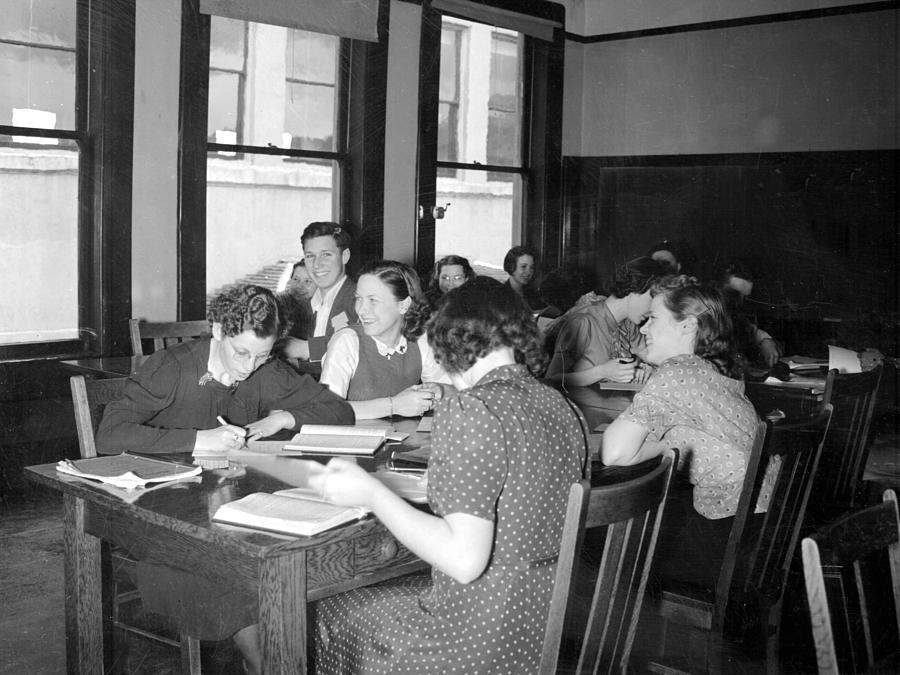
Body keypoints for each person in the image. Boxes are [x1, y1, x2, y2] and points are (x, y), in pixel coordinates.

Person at [310, 276, 588, 673]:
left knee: (328, 607)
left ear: (449, 340)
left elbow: (463, 560)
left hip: (470, 646)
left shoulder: (472, 409)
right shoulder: (561, 406)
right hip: (541, 633)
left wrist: (371, 493)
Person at [95, 284, 354, 672]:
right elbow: (110, 434)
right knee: (249, 586)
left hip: (227, 518)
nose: (249, 366)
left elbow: (338, 411)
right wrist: (200, 439)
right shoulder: (173, 367)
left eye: (262, 355)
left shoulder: (263, 368)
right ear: (218, 331)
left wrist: (284, 417)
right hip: (160, 521)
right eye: (242, 353)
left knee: (277, 566)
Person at [601, 277, 774, 591]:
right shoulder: (716, 369)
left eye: (652, 319)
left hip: (727, 541)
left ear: (687, 326)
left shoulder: (678, 371)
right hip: (760, 533)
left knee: (606, 559)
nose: (642, 329)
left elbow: (614, 453)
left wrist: (660, 443)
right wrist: (665, 443)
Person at [320, 260, 451, 419]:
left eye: (373, 300)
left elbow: (455, 390)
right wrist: (394, 405)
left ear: (403, 306)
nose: (361, 310)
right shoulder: (347, 341)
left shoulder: (420, 341)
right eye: (358, 298)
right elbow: (326, 410)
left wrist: (439, 390)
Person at [545, 256, 666, 387]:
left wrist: (647, 369)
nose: (653, 307)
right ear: (635, 288)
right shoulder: (582, 322)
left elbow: (653, 358)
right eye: (652, 297)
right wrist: (602, 372)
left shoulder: (630, 325)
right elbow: (552, 379)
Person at [278, 221, 358, 366]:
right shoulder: (306, 304)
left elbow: (366, 343)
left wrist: (307, 349)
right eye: (310, 256)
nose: (317, 264)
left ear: (345, 256)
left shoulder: (359, 298)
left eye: (326, 254)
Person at [720, 259, 781, 368]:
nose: (739, 302)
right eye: (733, 295)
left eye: (744, 297)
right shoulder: (704, 317)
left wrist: (766, 341)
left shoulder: (735, 317)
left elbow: (750, 331)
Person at [276, 260, 315, 341]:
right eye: (296, 279)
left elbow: (342, 339)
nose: (299, 286)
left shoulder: (331, 305)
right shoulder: (277, 302)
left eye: (307, 281)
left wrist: (308, 347)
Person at [502, 244, 546, 311]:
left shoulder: (532, 293)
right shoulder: (502, 296)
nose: (528, 272)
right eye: (523, 267)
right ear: (511, 267)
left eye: (531, 267)